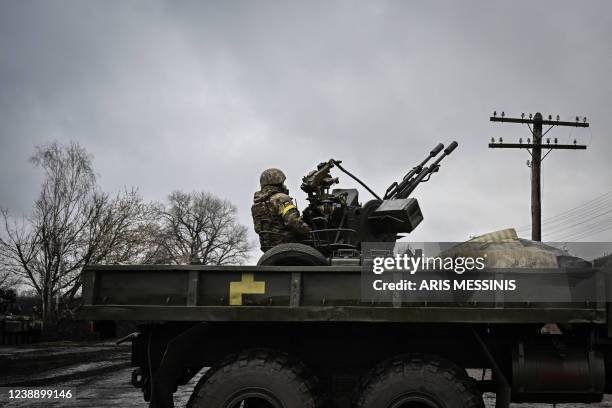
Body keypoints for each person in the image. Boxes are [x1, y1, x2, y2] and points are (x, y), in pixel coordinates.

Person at [251, 168, 311, 251]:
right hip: (287, 243)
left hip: (268, 248)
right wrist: (309, 232)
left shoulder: (257, 204)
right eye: (283, 182)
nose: (284, 185)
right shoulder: (281, 198)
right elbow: (292, 221)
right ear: (277, 182)